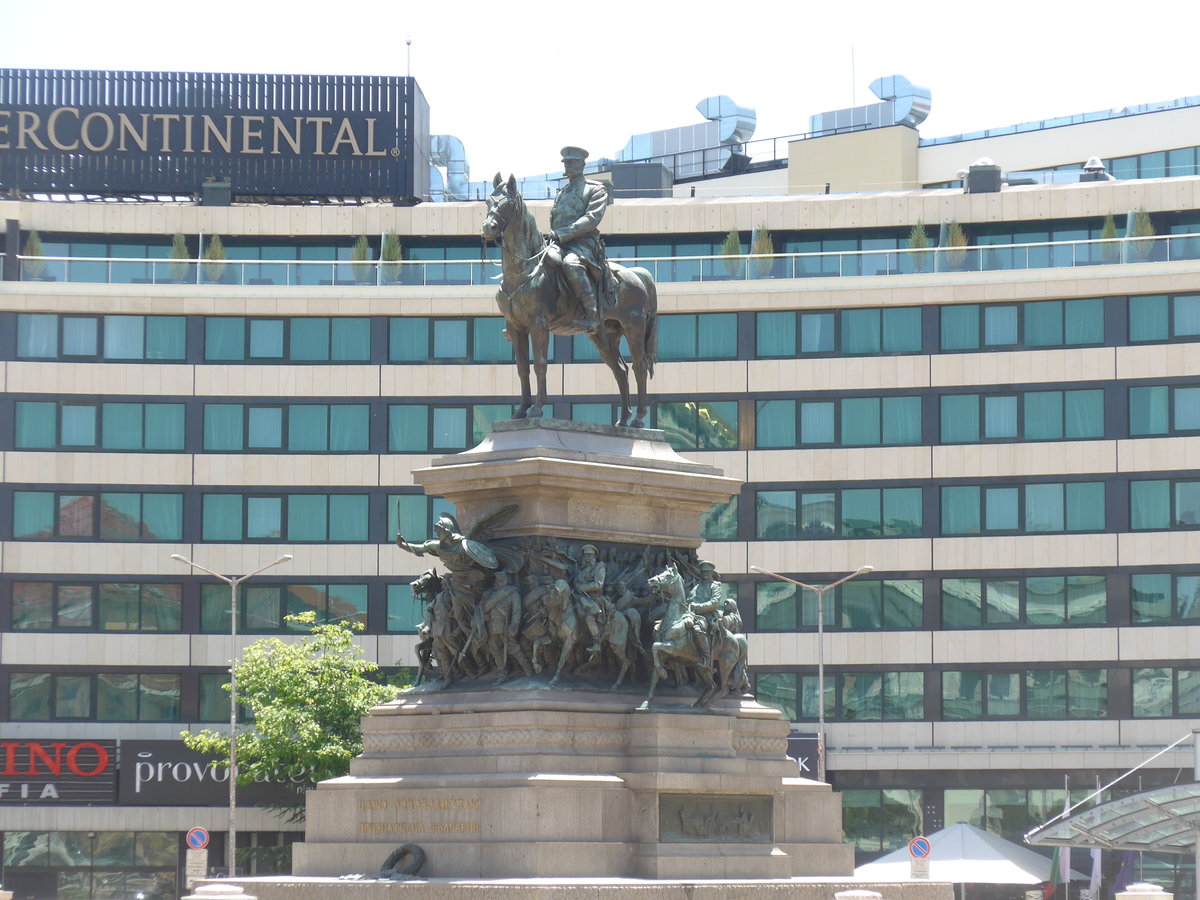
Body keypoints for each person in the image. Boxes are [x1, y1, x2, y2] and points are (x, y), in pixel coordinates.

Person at [396, 513, 495, 638]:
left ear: (447, 531)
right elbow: (420, 548)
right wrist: (403, 545)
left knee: (466, 611)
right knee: (452, 610)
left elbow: (483, 558)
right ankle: (466, 635)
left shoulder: (464, 545)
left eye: (439, 531)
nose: (437, 534)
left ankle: (477, 634)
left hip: (473, 581)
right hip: (456, 583)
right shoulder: (437, 546)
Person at [545, 146, 610, 334]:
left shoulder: (595, 189)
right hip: (558, 242)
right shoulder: (562, 192)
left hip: (583, 244)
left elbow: (591, 219)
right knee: (538, 262)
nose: (568, 165)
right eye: (566, 162)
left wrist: (563, 233)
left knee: (571, 264)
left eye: (572, 162)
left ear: (582, 164)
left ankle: (591, 315)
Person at [479, 570, 533, 682]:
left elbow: (517, 611)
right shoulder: (490, 595)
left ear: (505, 580)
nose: (498, 582)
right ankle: (502, 675)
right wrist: (485, 618)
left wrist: (513, 626)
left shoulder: (512, 593)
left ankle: (526, 667)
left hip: (505, 627)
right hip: (492, 628)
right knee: (496, 652)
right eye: (497, 580)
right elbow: (483, 610)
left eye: (500, 579)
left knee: (514, 649)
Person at [687, 561, 725, 668]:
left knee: (698, 629)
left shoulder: (715, 586)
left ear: (712, 572)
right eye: (703, 572)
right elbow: (689, 600)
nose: (705, 574)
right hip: (692, 614)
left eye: (707, 572)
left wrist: (698, 607)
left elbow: (714, 603)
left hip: (708, 615)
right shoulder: (696, 587)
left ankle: (707, 658)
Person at [573, 543, 606, 652]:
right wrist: (576, 585)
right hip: (579, 597)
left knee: (589, 618)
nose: (587, 557)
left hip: (594, 598)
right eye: (586, 554)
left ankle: (597, 643)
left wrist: (582, 587)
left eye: (590, 554)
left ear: (595, 555)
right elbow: (576, 581)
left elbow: (598, 584)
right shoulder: (581, 569)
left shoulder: (599, 567)